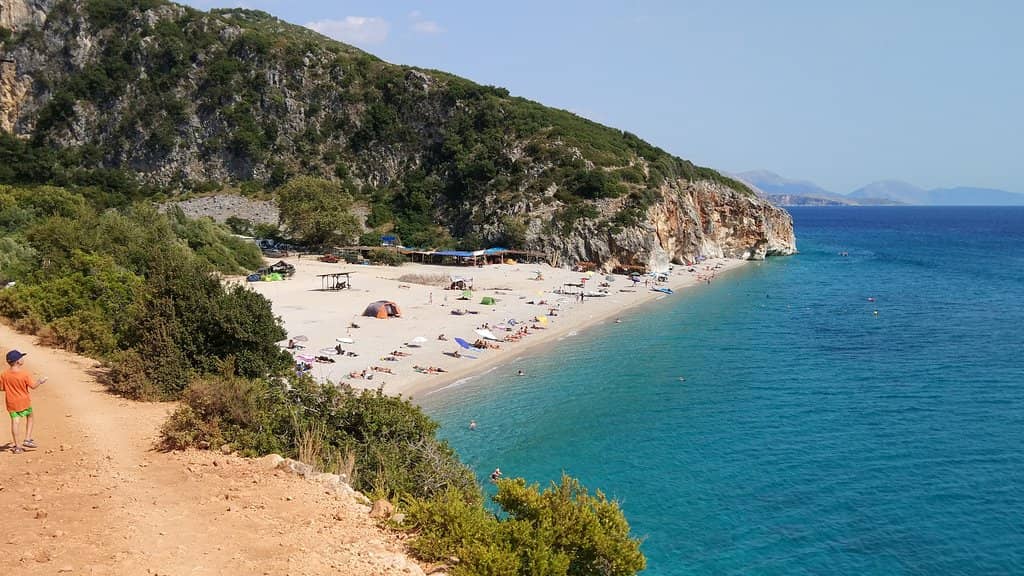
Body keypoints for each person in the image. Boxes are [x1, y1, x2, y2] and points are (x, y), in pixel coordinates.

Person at [1, 350, 47, 454]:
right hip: (24, 401)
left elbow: (2, 388)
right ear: (18, 361)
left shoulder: (4, 375)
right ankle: (27, 439)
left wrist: (10, 387)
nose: (23, 358)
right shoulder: (24, 374)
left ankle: (17, 447)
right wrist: (40, 381)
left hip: (11, 402)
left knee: (15, 422)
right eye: (21, 357)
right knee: (30, 417)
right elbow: (33, 386)